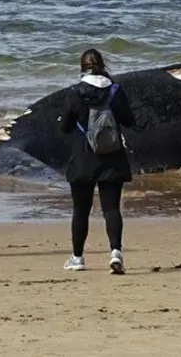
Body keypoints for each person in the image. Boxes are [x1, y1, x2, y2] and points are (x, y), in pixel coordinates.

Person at [60, 48, 136, 274]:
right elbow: (130, 121)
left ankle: (77, 258)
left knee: (80, 210)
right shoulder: (116, 91)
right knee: (111, 208)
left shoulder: (74, 93)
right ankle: (115, 252)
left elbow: (64, 128)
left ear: (81, 68)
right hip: (112, 156)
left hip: (83, 157)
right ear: (103, 66)